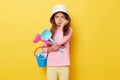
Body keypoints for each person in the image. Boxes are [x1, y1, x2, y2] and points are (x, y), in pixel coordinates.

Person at [42, 4, 73, 80]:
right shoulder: (49, 32)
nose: (59, 19)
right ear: (53, 19)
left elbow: (59, 42)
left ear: (66, 19)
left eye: (62, 17)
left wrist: (61, 27)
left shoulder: (69, 31)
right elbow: (43, 49)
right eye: (57, 17)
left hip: (64, 65)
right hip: (51, 65)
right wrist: (51, 49)